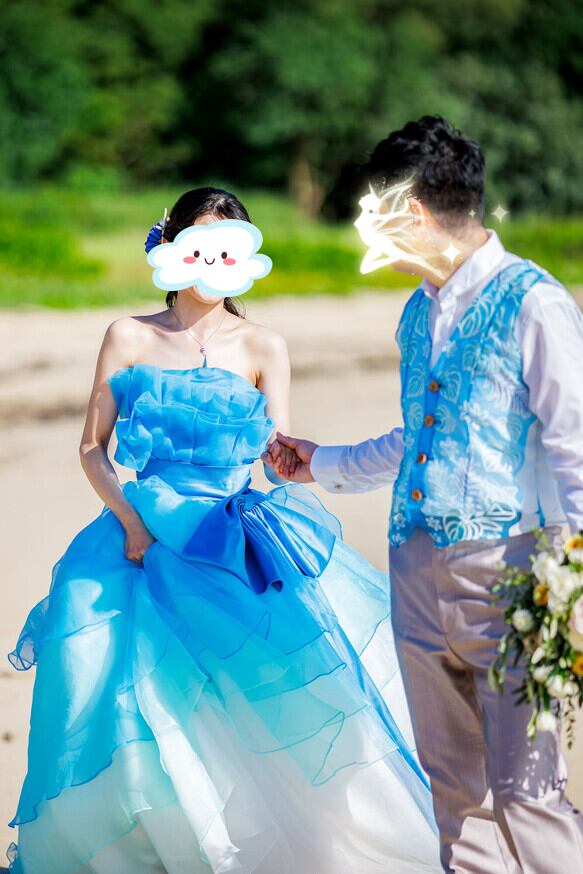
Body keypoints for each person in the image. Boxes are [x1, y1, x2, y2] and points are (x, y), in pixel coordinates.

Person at [7, 186, 441, 873]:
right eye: (200, 243)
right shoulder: (127, 335)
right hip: (139, 536)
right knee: (110, 689)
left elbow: (277, 455)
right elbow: (92, 448)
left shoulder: (264, 344)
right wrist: (131, 524)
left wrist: (308, 476)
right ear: (171, 247)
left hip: (226, 536)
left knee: (257, 686)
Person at [265, 116, 583, 873]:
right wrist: (324, 463)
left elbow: (574, 446)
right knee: (456, 796)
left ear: (408, 211)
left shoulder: (533, 303)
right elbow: (420, 434)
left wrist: (575, 584)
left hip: (512, 574)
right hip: (412, 569)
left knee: (528, 793)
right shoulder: (418, 310)